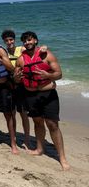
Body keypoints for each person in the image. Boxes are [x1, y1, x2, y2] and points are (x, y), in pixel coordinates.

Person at [14, 31, 70, 170]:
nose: (27, 42)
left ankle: (62, 158)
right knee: (38, 122)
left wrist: (48, 74)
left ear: (36, 41)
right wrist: (16, 77)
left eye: (30, 40)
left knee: (52, 125)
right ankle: (40, 149)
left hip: (48, 94)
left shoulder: (47, 55)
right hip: (31, 95)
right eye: (25, 41)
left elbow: (59, 74)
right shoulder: (21, 59)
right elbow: (16, 78)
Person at [1, 29, 30, 149]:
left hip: (22, 86)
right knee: (11, 113)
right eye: (6, 40)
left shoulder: (21, 49)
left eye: (11, 39)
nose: (9, 42)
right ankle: (13, 137)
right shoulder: (4, 52)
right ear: (4, 41)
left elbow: (34, 55)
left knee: (24, 113)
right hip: (9, 85)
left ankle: (27, 139)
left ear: (14, 39)